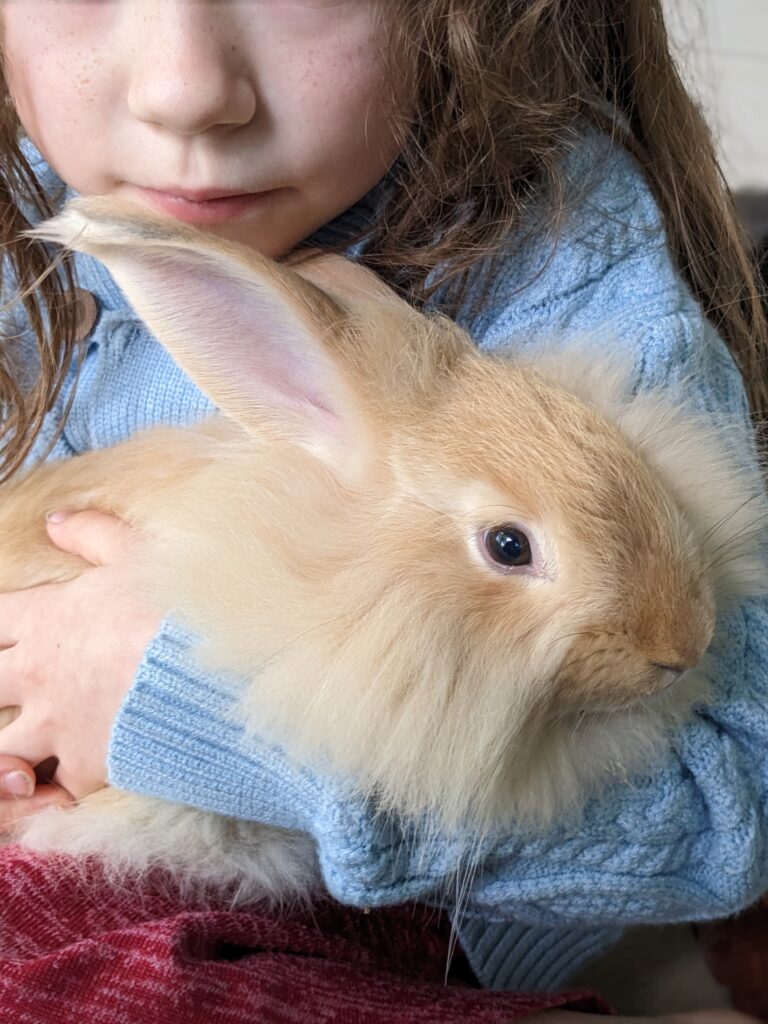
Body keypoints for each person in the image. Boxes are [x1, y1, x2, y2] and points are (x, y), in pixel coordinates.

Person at [0, 2, 765, 1021]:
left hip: (375, 937)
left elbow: (727, 820)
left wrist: (170, 698)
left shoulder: (575, 260)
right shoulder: (35, 221)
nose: (184, 89)